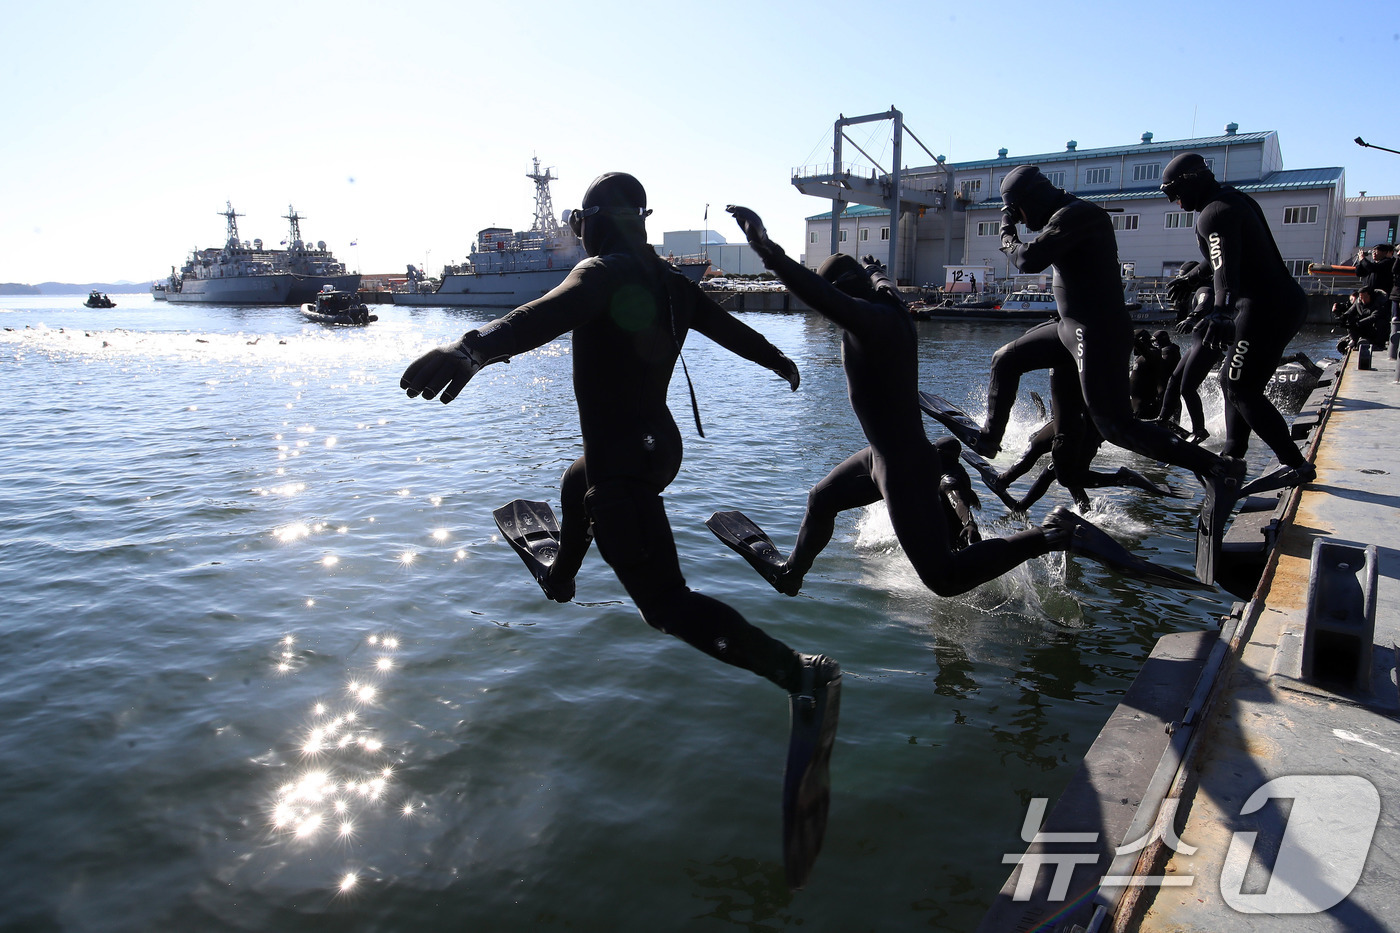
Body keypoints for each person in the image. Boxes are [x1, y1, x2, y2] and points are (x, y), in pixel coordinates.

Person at [400, 173, 839, 889]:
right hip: (657, 447)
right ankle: (564, 574)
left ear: (597, 221)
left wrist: (471, 350)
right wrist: (779, 360)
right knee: (578, 483)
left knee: (665, 603)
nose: (578, 231)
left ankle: (800, 676)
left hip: (625, 468)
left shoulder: (601, 271)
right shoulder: (669, 282)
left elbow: (543, 313)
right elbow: (734, 330)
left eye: (581, 221)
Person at [718, 205, 1195, 598]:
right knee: (821, 499)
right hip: (886, 455)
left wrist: (767, 250)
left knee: (943, 579)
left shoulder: (870, 323)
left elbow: (817, 292)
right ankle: (791, 573)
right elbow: (879, 282)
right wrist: (876, 271)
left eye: (836, 301)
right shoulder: (890, 305)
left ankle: (1054, 534)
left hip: (902, 464)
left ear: (845, 296)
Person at [1160, 152, 1316, 489]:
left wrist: (1222, 310)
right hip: (1283, 302)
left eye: (1173, 193)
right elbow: (1225, 258)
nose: (1175, 202)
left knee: (1238, 385)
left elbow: (1226, 271)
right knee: (1237, 383)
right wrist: (1190, 279)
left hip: (1263, 308)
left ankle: (1294, 465)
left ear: (1190, 182)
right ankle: (1234, 458)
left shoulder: (1212, 214)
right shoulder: (1233, 201)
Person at [1155, 283, 1221, 444]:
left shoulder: (1204, 289)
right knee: (1174, 380)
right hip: (1197, 344)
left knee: (1187, 388)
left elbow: (1204, 302)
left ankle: (1199, 430)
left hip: (1206, 346)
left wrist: (1192, 317)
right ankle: (1162, 420)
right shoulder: (1201, 290)